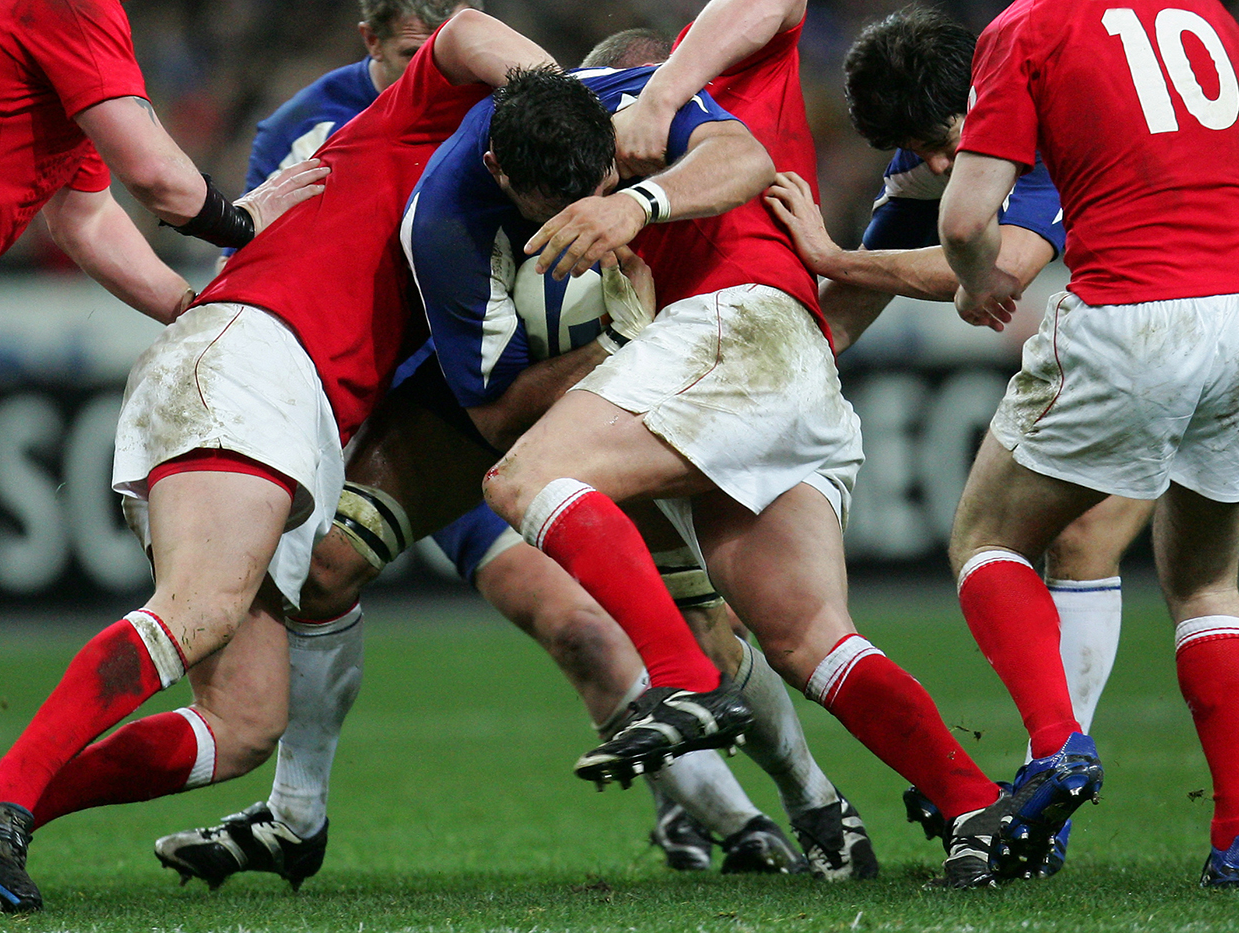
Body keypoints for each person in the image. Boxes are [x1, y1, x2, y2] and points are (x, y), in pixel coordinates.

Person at [0, 11, 558, 912]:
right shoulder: (431, 118)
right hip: (258, 359)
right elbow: (462, 35)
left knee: (245, 720)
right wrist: (578, 100)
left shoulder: (499, 220)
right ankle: (3, 806)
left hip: (276, 387)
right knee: (197, 607)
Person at [147, 7, 807, 884]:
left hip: (536, 386)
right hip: (428, 398)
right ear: (368, 43)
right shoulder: (309, 128)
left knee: (591, 627)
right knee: (327, 568)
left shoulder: (526, 106)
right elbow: (295, 257)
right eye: (407, 54)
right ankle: (294, 816)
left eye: (441, 49)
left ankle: (755, 819)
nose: (433, 67)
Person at [407, 0, 1014, 887]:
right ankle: (975, 807)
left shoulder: (664, 100)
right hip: (784, 358)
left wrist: (655, 119)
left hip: (738, 329)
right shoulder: (508, 180)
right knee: (809, 641)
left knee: (524, 478)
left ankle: (680, 677)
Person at [0, 0, 324, 909]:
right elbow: (162, 184)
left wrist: (189, 311)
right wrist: (246, 224)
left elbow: (86, 217)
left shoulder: (72, 38)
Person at [761, 7, 1152, 876]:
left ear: (979, 92)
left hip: (1236, 286)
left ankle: (1061, 771)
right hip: (1192, 305)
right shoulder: (923, 157)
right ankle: (1068, 778)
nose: (939, 167)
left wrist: (830, 253)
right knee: (1091, 540)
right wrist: (751, 383)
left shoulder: (1040, 109)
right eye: (918, 152)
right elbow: (850, 308)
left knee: (1021, 544)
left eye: (944, 141)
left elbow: (998, 266)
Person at [938, 0, 1239, 887]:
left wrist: (977, 286)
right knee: (1207, 580)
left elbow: (965, 217)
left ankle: (1056, 747)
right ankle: (1238, 841)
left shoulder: (1029, 24)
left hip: (1132, 305)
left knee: (987, 538)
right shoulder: (1211, 15)